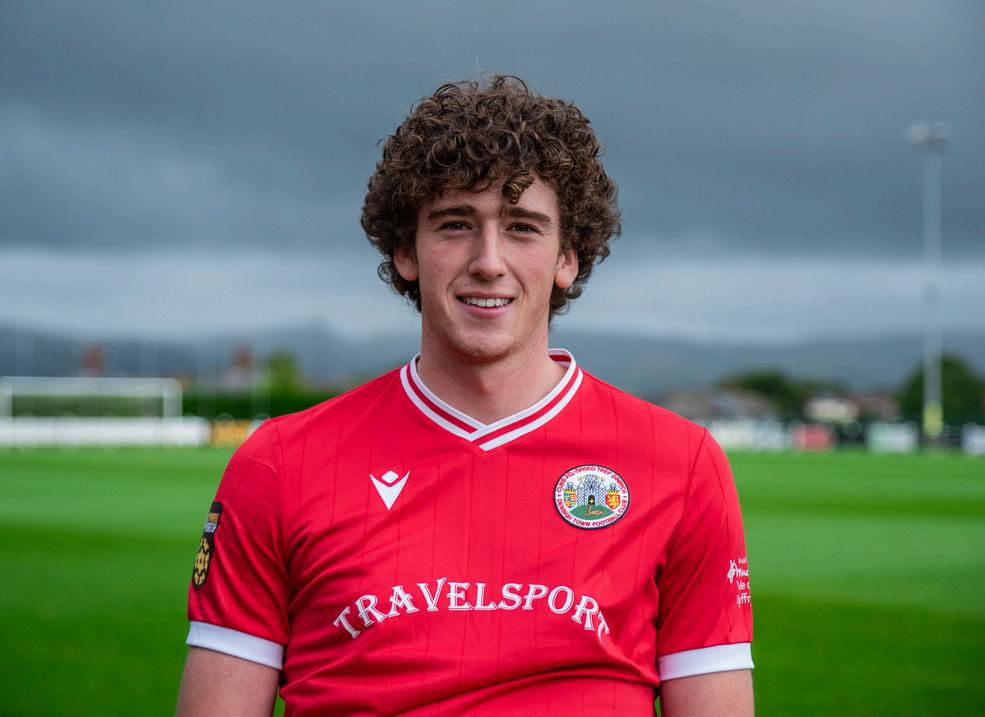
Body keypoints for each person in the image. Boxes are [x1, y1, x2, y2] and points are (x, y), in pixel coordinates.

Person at [177, 75, 754, 716]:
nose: (488, 261)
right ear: (406, 251)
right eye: (456, 225)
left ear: (568, 257)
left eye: (523, 228)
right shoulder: (281, 463)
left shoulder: (680, 463)